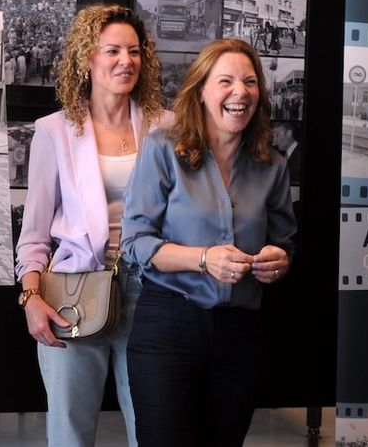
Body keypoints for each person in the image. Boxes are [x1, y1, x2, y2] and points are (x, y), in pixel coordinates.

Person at [122, 38, 296, 446]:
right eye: (226, 81)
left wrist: (279, 260)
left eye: (250, 82)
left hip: (241, 334)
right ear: (200, 91)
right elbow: (135, 242)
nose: (241, 92)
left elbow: (285, 244)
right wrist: (203, 259)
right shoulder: (162, 149)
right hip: (168, 327)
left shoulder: (272, 164)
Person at [15, 3, 172, 447]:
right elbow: (34, 232)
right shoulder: (54, 131)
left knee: (154, 431)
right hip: (74, 293)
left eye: (134, 51)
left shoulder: (167, 127)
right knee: (71, 434)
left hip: (153, 293)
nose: (126, 61)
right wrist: (30, 297)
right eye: (113, 51)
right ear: (87, 58)